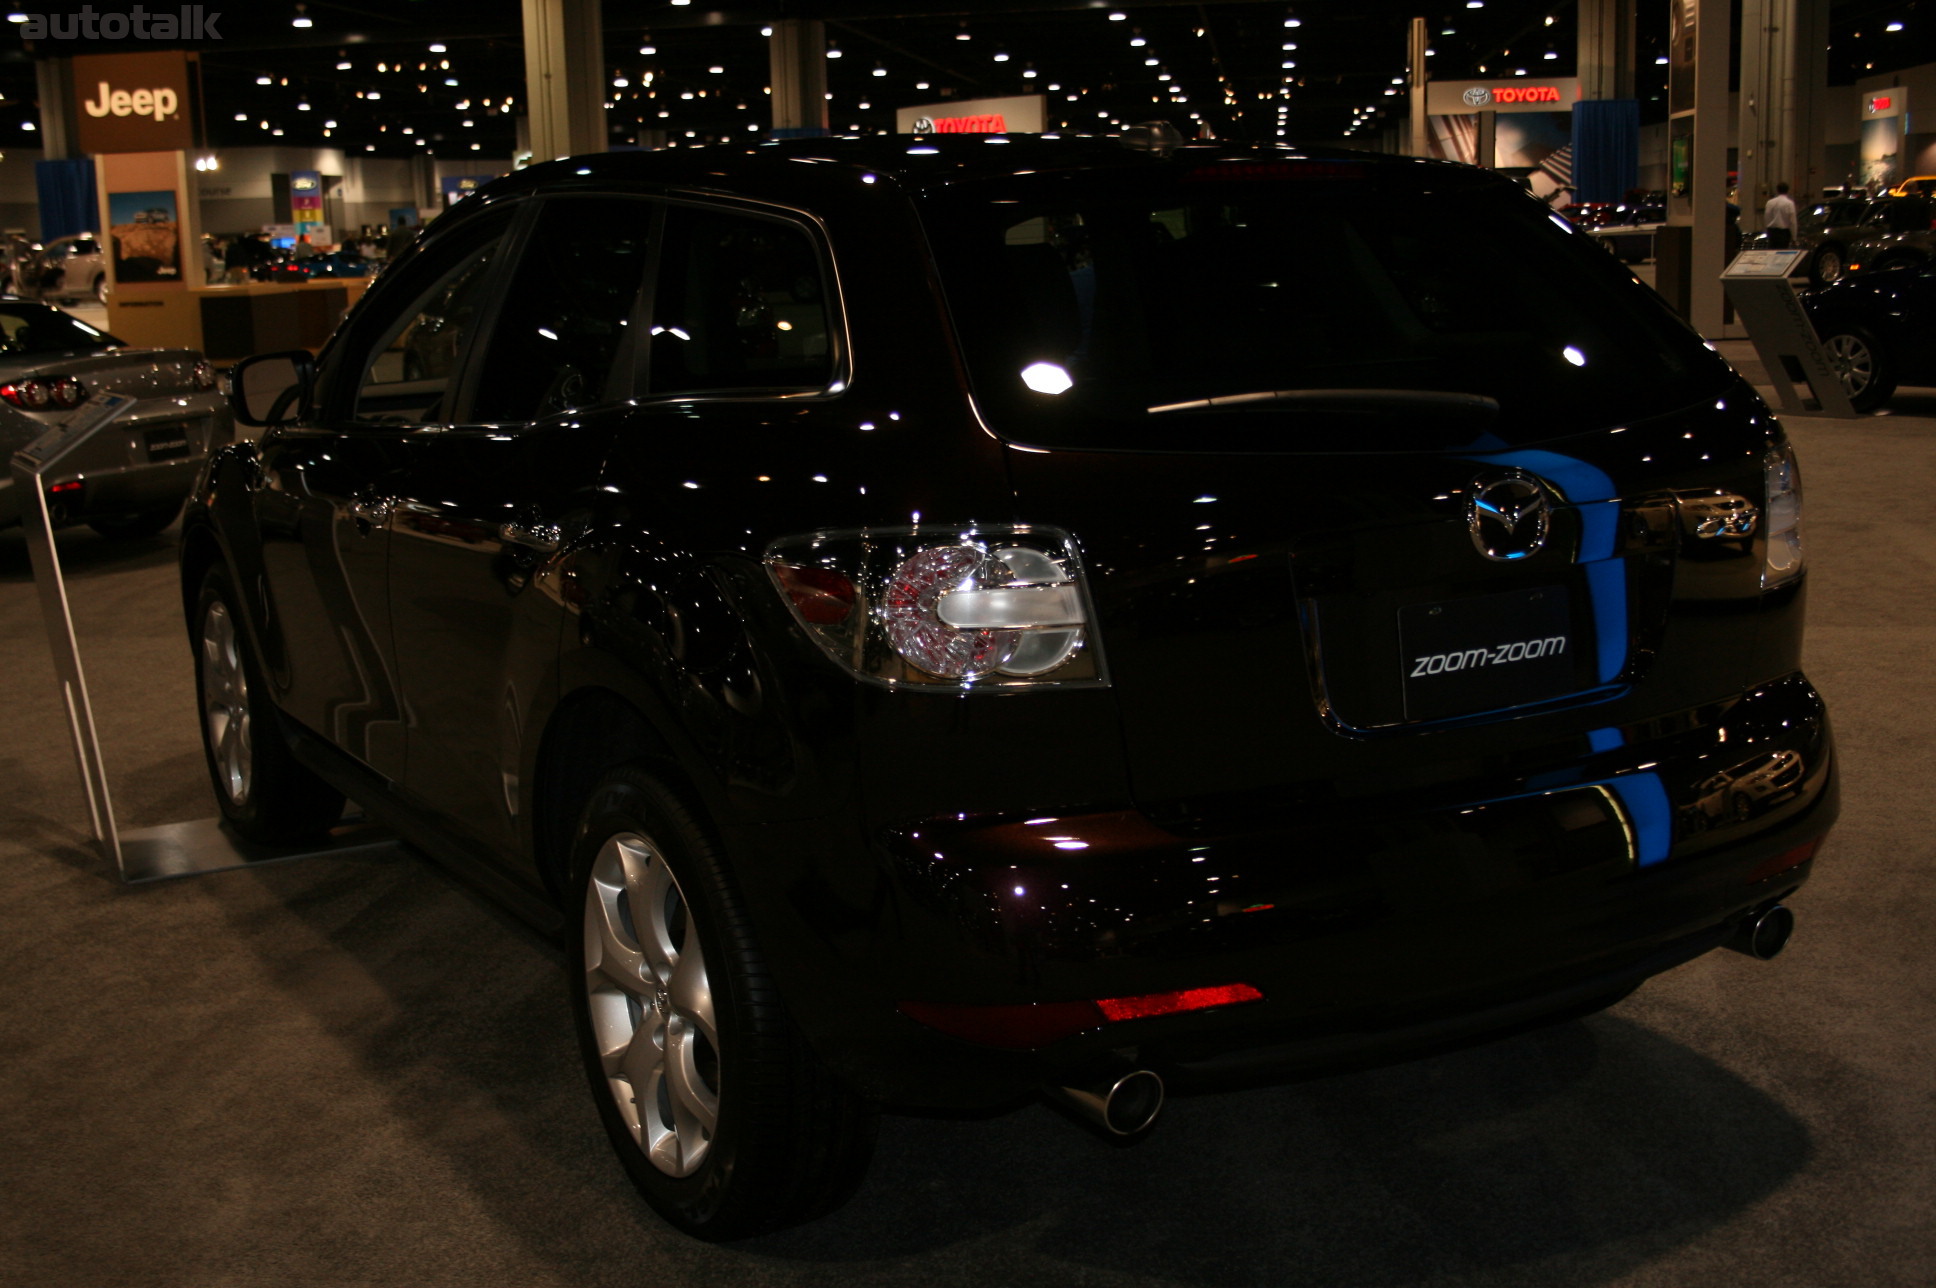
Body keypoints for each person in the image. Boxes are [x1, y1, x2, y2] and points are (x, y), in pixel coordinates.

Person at [1765, 181, 1799, 249]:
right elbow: (1792, 222)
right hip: (1784, 233)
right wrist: (1794, 238)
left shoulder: (1770, 202)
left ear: (1777, 190)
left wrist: (1768, 230)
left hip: (1772, 232)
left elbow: (1767, 217)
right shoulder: (1789, 203)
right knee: (1782, 254)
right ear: (1787, 190)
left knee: (1772, 254)